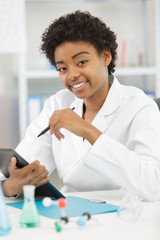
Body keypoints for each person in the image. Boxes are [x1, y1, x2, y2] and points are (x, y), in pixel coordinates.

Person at [1, 11, 160, 201]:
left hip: (125, 212)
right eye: (62, 68)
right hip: (72, 211)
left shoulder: (140, 106)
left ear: (106, 57)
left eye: (82, 62)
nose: (72, 75)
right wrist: (9, 186)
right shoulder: (57, 104)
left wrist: (87, 130)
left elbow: (153, 184)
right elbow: (25, 164)